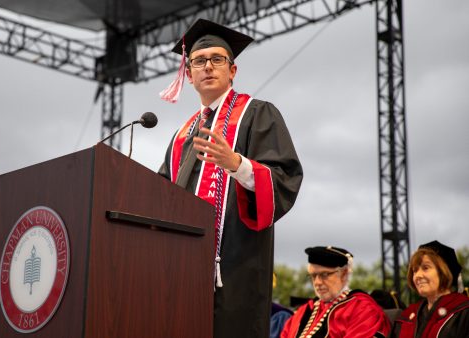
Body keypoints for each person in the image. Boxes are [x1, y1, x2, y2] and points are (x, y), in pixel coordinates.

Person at [158, 19, 303, 338]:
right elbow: (160, 197)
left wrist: (237, 164)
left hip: (236, 271)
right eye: (199, 61)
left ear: (232, 71)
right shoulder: (182, 137)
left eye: (217, 59)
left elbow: (285, 177)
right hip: (181, 273)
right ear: (189, 74)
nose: (208, 66)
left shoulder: (258, 114)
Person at [280, 246, 391, 338]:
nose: (317, 282)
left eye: (325, 275)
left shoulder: (363, 309)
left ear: (344, 274)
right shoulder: (303, 311)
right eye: (313, 276)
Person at [390, 240, 469, 338]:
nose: (417, 275)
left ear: (444, 271)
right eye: (415, 270)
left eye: (425, 268)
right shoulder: (407, 316)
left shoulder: (464, 312)